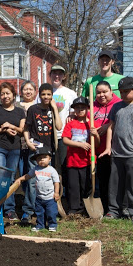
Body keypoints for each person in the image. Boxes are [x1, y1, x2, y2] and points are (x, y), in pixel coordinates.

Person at [100, 77, 133, 227]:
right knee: (115, 183)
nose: (123, 94)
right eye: (121, 92)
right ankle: (114, 210)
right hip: (117, 152)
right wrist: (109, 147)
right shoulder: (116, 107)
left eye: (126, 92)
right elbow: (110, 127)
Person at [0, 82, 26, 221]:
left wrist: (11, 126)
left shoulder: (20, 111)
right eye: (2, 94)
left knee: (11, 178)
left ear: (13, 95)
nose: (5, 96)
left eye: (8, 93)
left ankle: (9, 209)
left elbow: (22, 130)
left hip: (14, 149)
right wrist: (3, 129)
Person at [23, 83, 62, 222]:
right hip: (35, 150)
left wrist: (55, 109)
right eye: (43, 94)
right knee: (33, 180)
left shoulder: (52, 110)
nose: (46, 97)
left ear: (52, 96)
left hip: (49, 151)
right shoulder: (33, 109)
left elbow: (59, 126)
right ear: (39, 95)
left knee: (47, 180)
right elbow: (26, 128)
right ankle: (27, 212)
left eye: (49, 94)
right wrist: (28, 142)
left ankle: (46, 210)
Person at [62, 97, 100, 215]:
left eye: (83, 108)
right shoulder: (71, 124)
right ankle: (74, 208)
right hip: (73, 160)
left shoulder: (92, 124)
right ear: (74, 110)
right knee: (73, 186)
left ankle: (85, 207)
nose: (80, 110)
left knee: (86, 184)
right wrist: (79, 145)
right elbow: (65, 140)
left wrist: (96, 134)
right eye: (77, 108)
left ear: (88, 109)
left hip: (88, 160)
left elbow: (97, 144)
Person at [15, 146, 60, 232]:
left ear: (50, 159)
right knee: (40, 213)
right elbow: (28, 176)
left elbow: (56, 182)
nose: (42, 160)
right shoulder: (36, 169)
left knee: (51, 212)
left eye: (44, 157)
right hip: (39, 198)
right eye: (39, 158)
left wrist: (56, 193)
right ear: (36, 161)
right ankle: (40, 225)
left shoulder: (52, 170)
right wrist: (20, 179)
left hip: (50, 197)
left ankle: (52, 224)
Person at [92, 81, 121, 213]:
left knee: (114, 180)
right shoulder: (92, 106)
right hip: (98, 149)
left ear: (111, 91)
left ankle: (116, 206)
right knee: (102, 179)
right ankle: (104, 206)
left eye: (104, 92)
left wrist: (109, 125)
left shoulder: (118, 104)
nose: (101, 95)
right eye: (98, 92)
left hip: (115, 149)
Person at [48, 65, 77, 193]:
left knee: (65, 165)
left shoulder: (70, 93)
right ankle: (52, 193)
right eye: (54, 73)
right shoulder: (45, 92)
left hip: (65, 135)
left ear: (64, 76)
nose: (57, 76)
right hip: (48, 135)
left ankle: (65, 193)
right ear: (50, 75)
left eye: (60, 74)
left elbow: (75, 113)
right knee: (51, 165)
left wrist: (72, 115)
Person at [16, 81, 37, 223]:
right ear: (21, 91)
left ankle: (29, 209)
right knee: (20, 175)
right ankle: (21, 203)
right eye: (25, 89)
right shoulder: (16, 106)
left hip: (33, 147)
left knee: (31, 178)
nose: (28, 92)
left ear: (35, 92)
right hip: (17, 145)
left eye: (31, 89)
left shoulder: (38, 106)